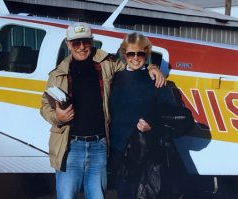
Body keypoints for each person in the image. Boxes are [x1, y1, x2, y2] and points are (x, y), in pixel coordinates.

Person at [40, 22, 165, 199]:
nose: (82, 47)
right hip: (70, 146)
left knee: (97, 196)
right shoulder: (57, 74)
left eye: (86, 42)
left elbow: (134, 67)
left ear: (92, 42)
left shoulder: (106, 64)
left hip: (98, 146)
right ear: (68, 44)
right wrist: (58, 116)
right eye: (76, 43)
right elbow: (44, 106)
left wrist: (153, 67)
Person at [109, 32, 194, 199]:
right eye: (130, 53)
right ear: (124, 54)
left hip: (148, 157)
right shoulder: (113, 79)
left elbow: (179, 120)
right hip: (120, 155)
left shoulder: (156, 81)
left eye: (140, 53)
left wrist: (153, 124)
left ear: (146, 54)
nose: (135, 58)